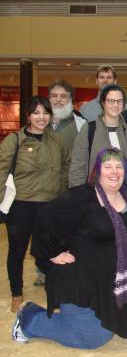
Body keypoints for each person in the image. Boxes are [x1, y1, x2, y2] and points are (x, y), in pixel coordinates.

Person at [12, 148, 127, 348]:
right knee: (93, 338)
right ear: (98, 171)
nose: (114, 172)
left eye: (119, 167)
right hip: (83, 278)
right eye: (107, 166)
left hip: (117, 274)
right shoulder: (82, 196)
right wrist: (51, 253)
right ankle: (30, 319)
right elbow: (46, 216)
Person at [0, 96, 70, 312]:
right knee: (17, 251)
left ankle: (55, 295)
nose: (41, 117)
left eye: (45, 113)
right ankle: (16, 294)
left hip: (49, 206)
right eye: (36, 113)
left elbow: (66, 168)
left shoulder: (57, 140)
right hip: (21, 205)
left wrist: (63, 198)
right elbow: (1, 172)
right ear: (28, 115)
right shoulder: (15, 140)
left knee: (51, 252)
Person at [69, 84, 127, 187]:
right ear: (103, 103)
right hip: (96, 195)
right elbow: (77, 167)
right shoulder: (89, 129)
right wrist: (78, 195)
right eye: (111, 101)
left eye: (119, 101)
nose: (116, 105)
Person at [49, 80, 86, 149]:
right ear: (49, 99)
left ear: (70, 99)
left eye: (63, 96)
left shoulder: (82, 124)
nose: (58, 99)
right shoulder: (39, 122)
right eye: (54, 96)